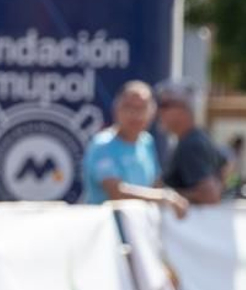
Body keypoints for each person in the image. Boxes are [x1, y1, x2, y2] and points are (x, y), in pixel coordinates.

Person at [81, 81, 189, 216]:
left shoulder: (146, 142)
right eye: (128, 107)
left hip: (141, 230)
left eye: (141, 108)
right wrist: (163, 197)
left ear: (152, 112)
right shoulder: (102, 145)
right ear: (116, 109)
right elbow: (116, 192)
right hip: (106, 233)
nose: (135, 115)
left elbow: (155, 184)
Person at [156, 81, 225, 205]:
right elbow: (228, 164)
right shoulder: (196, 137)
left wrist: (165, 195)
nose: (159, 111)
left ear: (184, 108)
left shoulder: (191, 144)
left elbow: (209, 196)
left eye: (165, 105)